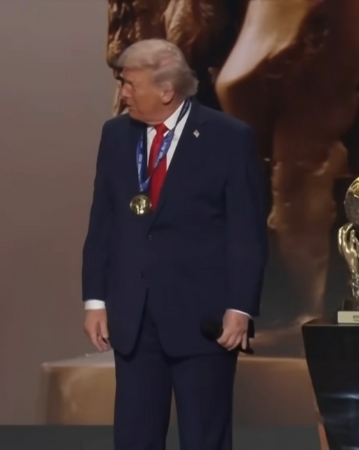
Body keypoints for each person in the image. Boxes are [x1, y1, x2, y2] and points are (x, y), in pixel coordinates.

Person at [81, 39, 268, 450]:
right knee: (134, 438)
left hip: (204, 320)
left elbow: (246, 231)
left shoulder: (228, 137)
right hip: (133, 318)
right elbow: (103, 224)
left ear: (166, 91)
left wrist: (240, 307)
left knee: (205, 438)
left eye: (130, 84)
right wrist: (95, 300)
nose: (123, 93)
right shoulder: (115, 135)